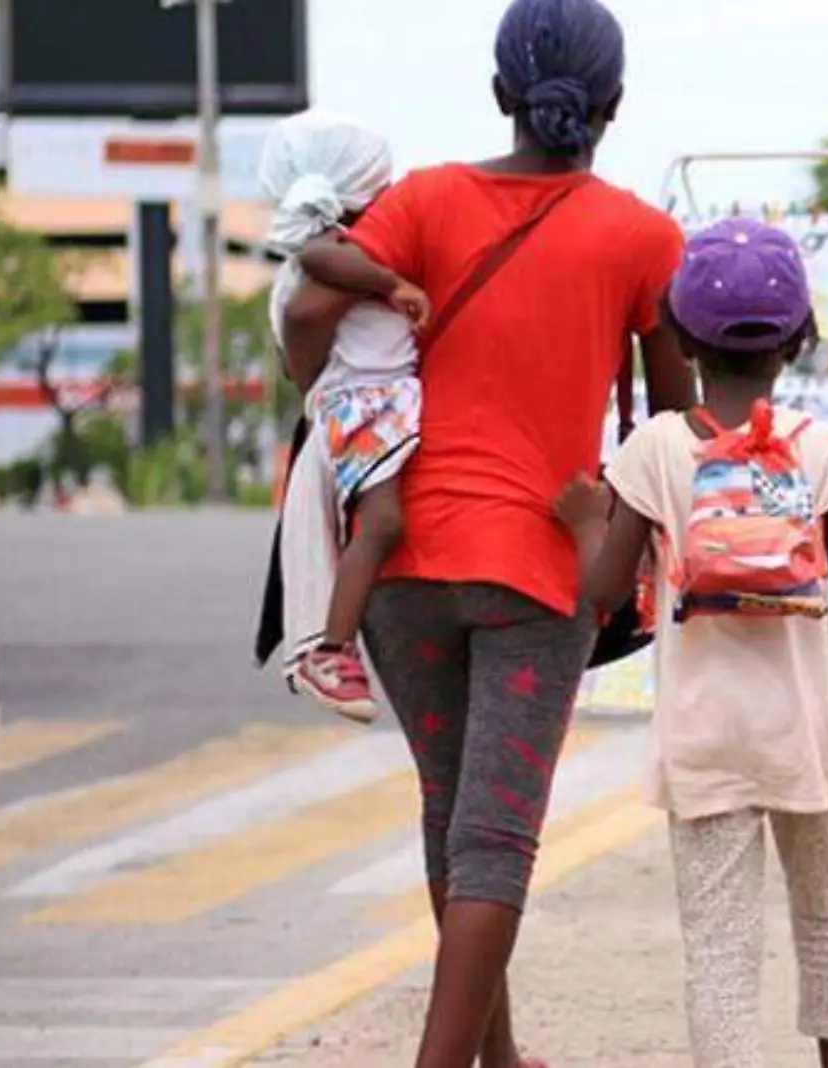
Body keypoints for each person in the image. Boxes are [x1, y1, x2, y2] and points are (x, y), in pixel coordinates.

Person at [277, 1, 692, 1065]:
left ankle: (495, 1056)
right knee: (496, 830)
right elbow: (675, 422)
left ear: (500, 93)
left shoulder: (419, 201)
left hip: (399, 557)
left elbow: (310, 323)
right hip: (539, 565)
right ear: (615, 105)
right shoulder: (643, 237)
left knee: (449, 803)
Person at [555, 217, 828, 1068]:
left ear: (680, 335)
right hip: (812, 730)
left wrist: (583, 523)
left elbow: (603, 595)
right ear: (800, 338)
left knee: (720, 951)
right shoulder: (820, 450)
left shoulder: (651, 451)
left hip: (705, 736)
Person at [258, 110, 431, 723]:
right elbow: (321, 268)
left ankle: (334, 646)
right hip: (364, 406)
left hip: (377, 403)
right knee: (382, 522)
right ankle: (331, 651)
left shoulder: (338, 256)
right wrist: (394, 284)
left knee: (382, 521)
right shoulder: (329, 257)